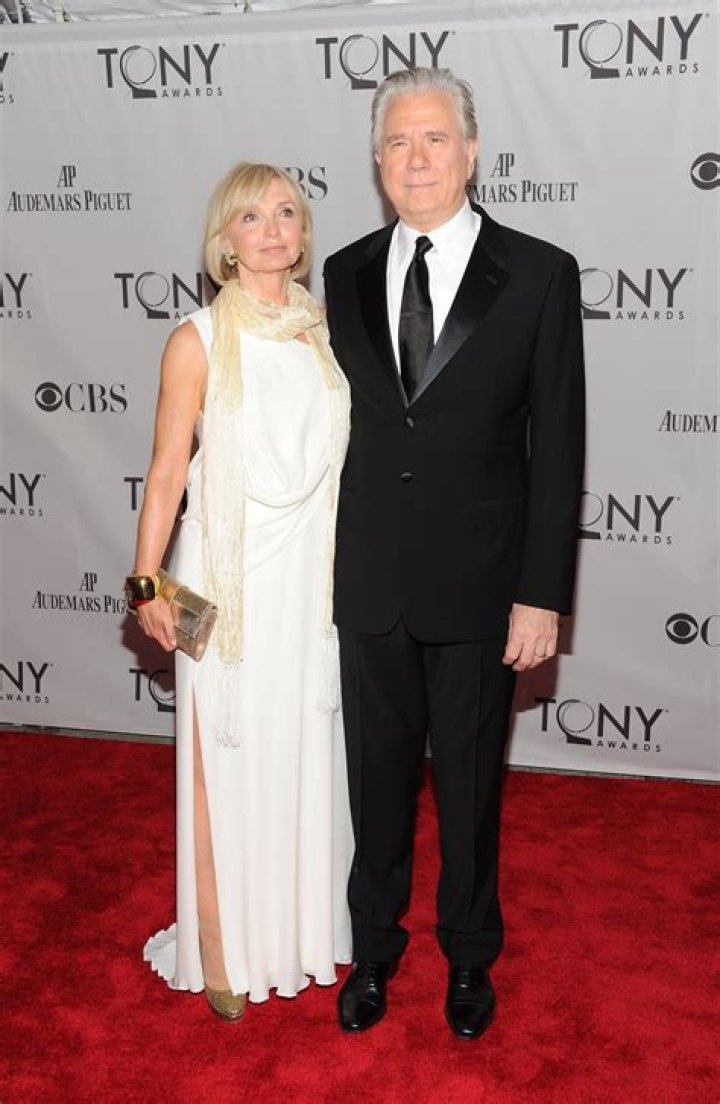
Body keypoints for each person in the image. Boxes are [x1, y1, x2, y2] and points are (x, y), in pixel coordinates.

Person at [323, 68, 585, 1040]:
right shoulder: (342, 272)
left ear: (471, 153)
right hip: (371, 582)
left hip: (482, 585)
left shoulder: (541, 273)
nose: (417, 158)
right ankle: (373, 950)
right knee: (375, 784)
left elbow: (559, 445)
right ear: (377, 162)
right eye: (398, 142)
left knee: (472, 789)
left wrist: (541, 595)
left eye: (435, 138)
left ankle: (470, 955)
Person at [128, 162, 353, 1022]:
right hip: (224, 580)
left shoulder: (322, 334)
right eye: (251, 217)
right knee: (220, 757)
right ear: (224, 240)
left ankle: (300, 933)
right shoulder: (195, 338)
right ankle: (220, 950)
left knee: (301, 753)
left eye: (286, 213)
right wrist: (146, 582)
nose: (271, 229)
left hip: (310, 582)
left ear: (303, 234)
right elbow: (166, 470)